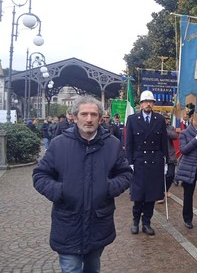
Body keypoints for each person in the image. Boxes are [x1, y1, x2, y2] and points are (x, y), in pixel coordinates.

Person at [32, 95, 132, 272]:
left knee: (92, 268)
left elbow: (125, 174)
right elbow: (40, 175)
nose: (89, 119)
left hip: (98, 222)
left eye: (93, 115)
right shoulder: (58, 145)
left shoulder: (113, 145)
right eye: (84, 114)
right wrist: (60, 190)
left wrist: (108, 187)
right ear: (75, 117)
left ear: (100, 119)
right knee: (71, 268)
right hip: (68, 221)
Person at [125, 90, 168, 236]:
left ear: (153, 104)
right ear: (141, 104)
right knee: (138, 195)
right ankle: (135, 221)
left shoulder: (160, 119)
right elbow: (129, 143)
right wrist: (129, 162)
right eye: (145, 102)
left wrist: (166, 161)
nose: (148, 104)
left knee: (151, 195)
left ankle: (147, 223)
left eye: (150, 102)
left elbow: (163, 143)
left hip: (155, 161)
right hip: (139, 161)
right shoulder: (132, 119)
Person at [157, 113, 179, 204]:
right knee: (159, 176)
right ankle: (160, 193)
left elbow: (175, 136)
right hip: (160, 155)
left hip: (170, 155)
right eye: (165, 119)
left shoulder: (170, 128)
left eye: (168, 119)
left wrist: (165, 130)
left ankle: (165, 189)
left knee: (171, 175)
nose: (167, 120)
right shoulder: (156, 126)